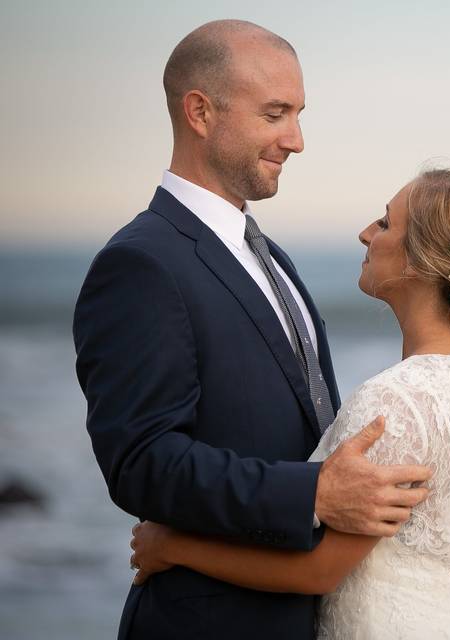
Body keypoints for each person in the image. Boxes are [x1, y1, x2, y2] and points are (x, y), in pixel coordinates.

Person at [73, 20, 431, 640]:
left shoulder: (273, 257)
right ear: (200, 112)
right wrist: (313, 495)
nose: (296, 140)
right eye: (275, 114)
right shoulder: (142, 263)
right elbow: (140, 461)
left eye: (297, 114)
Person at [129, 167, 450, 639]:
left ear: (421, 261)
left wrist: (175, 547)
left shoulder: (397, 402)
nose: (365, 233)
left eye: (385, 224)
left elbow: (318, 572)